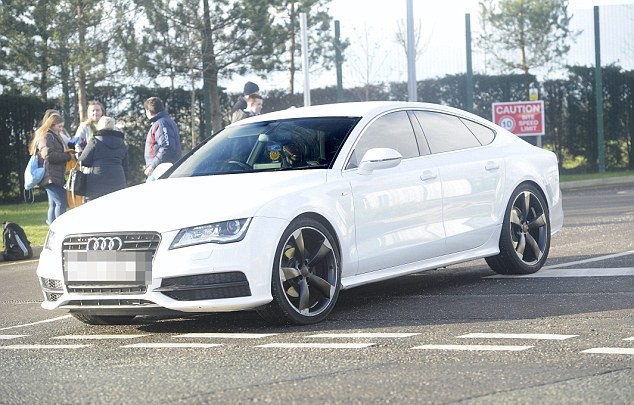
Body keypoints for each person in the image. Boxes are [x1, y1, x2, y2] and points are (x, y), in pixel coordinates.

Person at [29, 113, 74, 224]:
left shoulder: (50, 135)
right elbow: (49, 156)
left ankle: (52, 228)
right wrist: (68, 156)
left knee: (54, 204)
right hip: (51, 176)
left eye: (62, 126)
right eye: (59, 126)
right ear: (52, 125)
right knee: (61, 203)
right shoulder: (47, 136)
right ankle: (60, 227)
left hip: (53, 176)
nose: (61, 129)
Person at [78, 116, 129, 200]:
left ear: (100, 126)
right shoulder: (122, 143)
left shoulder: (95, 141)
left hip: (96, 182)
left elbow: (84, 161)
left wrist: (80, 153)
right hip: (118, 181)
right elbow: (126, 166)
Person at [143, 96, 182, 177]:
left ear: (149, 111)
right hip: (164, 168)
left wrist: (152, 166)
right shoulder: (165, 122)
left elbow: (166, 147)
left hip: (161, 170)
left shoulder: (161, 124)